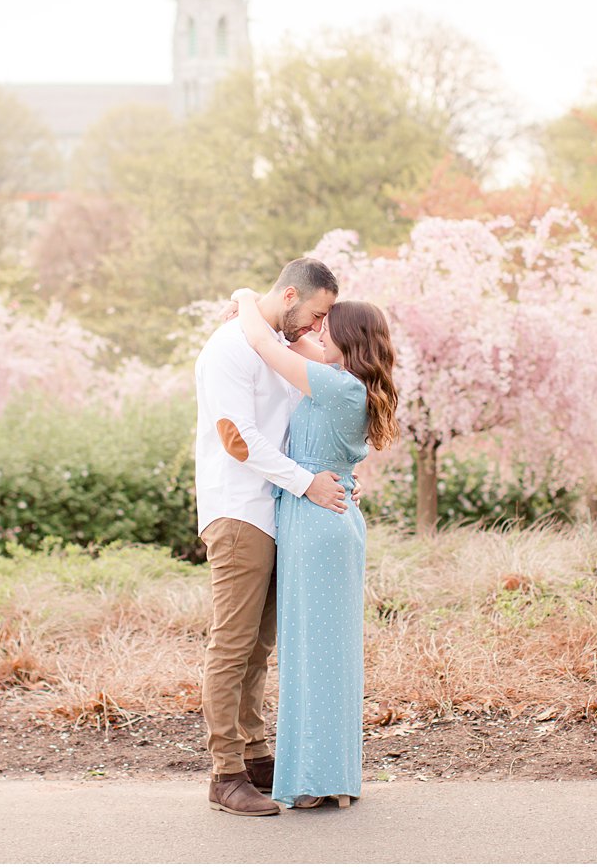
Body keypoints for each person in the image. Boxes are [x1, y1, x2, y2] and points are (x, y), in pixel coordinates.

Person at [230, 286, 400, 811]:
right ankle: (332, 776)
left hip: (315, 523)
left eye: (327, 326)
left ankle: (315, 778)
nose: (315, 331)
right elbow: (296, 343)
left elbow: (263, 341)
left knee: (313, 655)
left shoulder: (336, 386)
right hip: (330, 519)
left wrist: (243, 298)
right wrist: (302, 328)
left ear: (347, 340)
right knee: (325, 654)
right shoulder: (347, 384)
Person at [193, 258, 349, 817]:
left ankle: (257, 757)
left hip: (275, 509)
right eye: (314, 314)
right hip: (239, 511)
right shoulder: (229, 349)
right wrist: (308, 484)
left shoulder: (267, 340)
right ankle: (224, 774)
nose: (314, 326)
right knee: (232, 646)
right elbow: (240, 440)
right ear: (289, 296)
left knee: (259, 647)